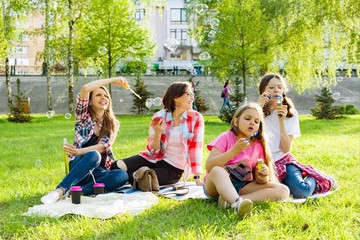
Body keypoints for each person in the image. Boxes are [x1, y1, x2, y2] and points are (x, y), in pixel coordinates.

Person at [41, 77, 129, 204]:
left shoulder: (113, 123)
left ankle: (78, 191)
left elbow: (103, 146)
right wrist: (112, 80)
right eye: (98, 95)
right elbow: (85, 89)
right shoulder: (82, 117)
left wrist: (78, 151)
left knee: (122, 175)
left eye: (106, 96)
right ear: (90, 101)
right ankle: (59, 191)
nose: (103, 98)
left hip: (98, 172)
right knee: (94, 155)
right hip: (79, 166)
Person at [257, 73, 337, 198]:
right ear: (263, 91)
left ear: (283, 91)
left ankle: (314, 178)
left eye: (279, 87)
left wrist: (281, 121)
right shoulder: (254, 112)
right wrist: (257, 109)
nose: (276, 90)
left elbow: (286, 149)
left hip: (282, 161)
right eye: (271, 87)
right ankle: (297, 176)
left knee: (301, 192)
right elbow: (247, 137)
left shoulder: (291, 113)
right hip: (261, 163)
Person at [204, 103, 289, 217]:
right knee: (217, 170)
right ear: (235, 121)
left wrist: (263, 175)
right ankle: (236, 202)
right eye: (247, 118)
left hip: (242, 186)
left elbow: (260, 180)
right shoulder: (226, 137)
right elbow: (209, 166)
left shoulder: (258, 145)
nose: (252, 123)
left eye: (256, 121)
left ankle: (234, 202)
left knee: (283, 190)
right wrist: (234, 151)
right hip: (215, 186)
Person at [114, 82, 204, 186]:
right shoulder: (160, 116)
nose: (192, 98)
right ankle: (128, 175)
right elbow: (153, 152)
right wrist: (157, 133)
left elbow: (196, 149)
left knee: (136, 178)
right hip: (152, 159)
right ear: (176, 97)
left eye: (192, 94)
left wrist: (197, 178)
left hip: (172, 169)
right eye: (188, 94)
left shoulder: (196, 118)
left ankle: (131, 175)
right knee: (117, 166)